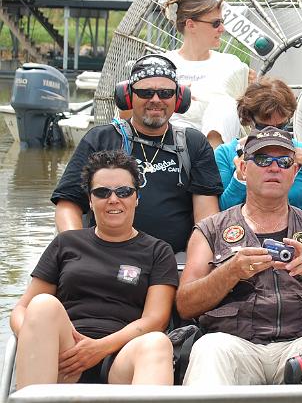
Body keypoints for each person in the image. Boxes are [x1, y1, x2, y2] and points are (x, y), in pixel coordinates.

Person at [176, 126, 302, 386]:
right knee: (209, 348)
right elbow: (185, 304)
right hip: (235, 344)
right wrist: (230, 272)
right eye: (262, 159)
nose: (274, 168)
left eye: (284, 161)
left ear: (295, 171)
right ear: (243, 169)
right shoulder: (211, 229)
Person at [11, 150, 178, 388]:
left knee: (157, 342)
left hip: (122, 356)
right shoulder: (66, 243)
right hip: (66, 353)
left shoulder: (158, 251)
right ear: (90, 200)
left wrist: (99, 348)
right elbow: (22, 309)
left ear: (136, 198)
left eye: (124, 191)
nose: (113, 199)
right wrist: (36, 338)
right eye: (102, 192)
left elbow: (156, 319)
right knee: (42, 305)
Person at [52, 54, 223, 254]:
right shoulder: (100, 139)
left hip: (174, 260)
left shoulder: (194, 143)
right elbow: (68, 204)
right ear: (128, 96)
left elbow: (206, 220)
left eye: (166, 93)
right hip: (104, 256)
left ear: (178, 98)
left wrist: (196, 263)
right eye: (145, 92)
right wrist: (78, 250)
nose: (156, 100)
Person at [214, 76, 302, 222]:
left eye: (281, 127)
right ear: (249, 119)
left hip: (296, 231)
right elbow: (220, 218)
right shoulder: (226, 154)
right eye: (263, 127)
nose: (273, 133)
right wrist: (240, 178)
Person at [163, 0, 254, 148]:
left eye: (222, 22)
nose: (222, 29)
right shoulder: (164, 64)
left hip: (218, 145)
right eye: (216, 23)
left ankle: (212, 160)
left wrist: (253, 91)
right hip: (173, 143)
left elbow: (247, 115)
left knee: (223, 105)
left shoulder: (231, 64)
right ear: (191, 25)